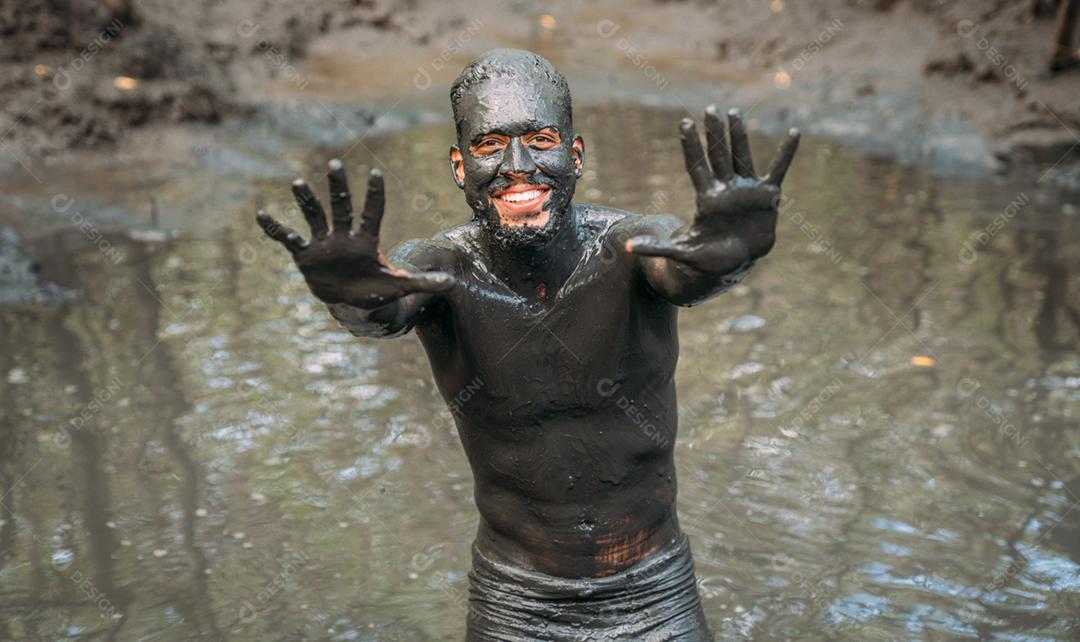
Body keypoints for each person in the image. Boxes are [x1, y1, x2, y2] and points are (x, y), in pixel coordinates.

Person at [257, 48, 799, 640]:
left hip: (654, 593)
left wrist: (732, 257)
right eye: (490, 147)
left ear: (575, 154)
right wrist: (350, 297)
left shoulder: (634, 247)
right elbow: (382, 312)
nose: (518, 166)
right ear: (461, 167)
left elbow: (689, 272)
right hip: (518, 605)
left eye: (539, 140)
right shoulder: (441, 272)